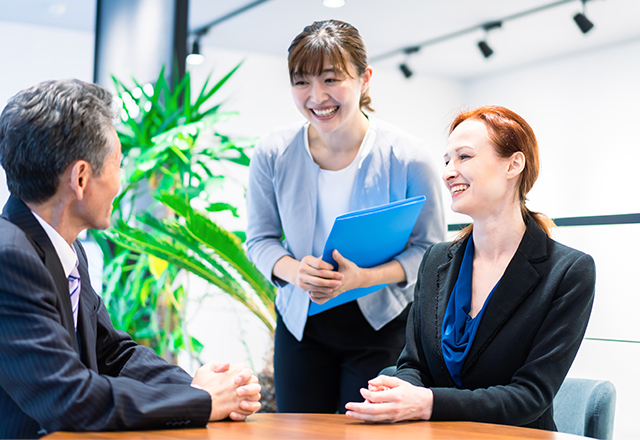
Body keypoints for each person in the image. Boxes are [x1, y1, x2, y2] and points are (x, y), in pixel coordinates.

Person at [0, 79, 261, 439]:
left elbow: (111, 352)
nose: (121, 184)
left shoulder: (65, 248)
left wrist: (201, 387)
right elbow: (68, 396)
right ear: (80, 177)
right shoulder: (9, 258)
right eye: (118, 165)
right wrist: (200, 401)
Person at [345, 106, 595, 430]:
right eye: (447, 160)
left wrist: (428, 403)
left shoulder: (569, 272)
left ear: (514, 164)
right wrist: (402, 390)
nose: (448, 172)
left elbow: (531, 396)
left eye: (464, 157)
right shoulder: (435, 260)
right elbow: (412, 363)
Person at [245, 19, 445, 414]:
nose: (316, 96)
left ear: (365, 78)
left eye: (331, 79)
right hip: (301, 323)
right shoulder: (272, 152)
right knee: (298, 432)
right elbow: (259, 240)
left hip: (381, 324)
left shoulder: (408, 157)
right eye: (301, 82)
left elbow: (431, 252)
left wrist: (365, 278)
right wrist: (293, 270)